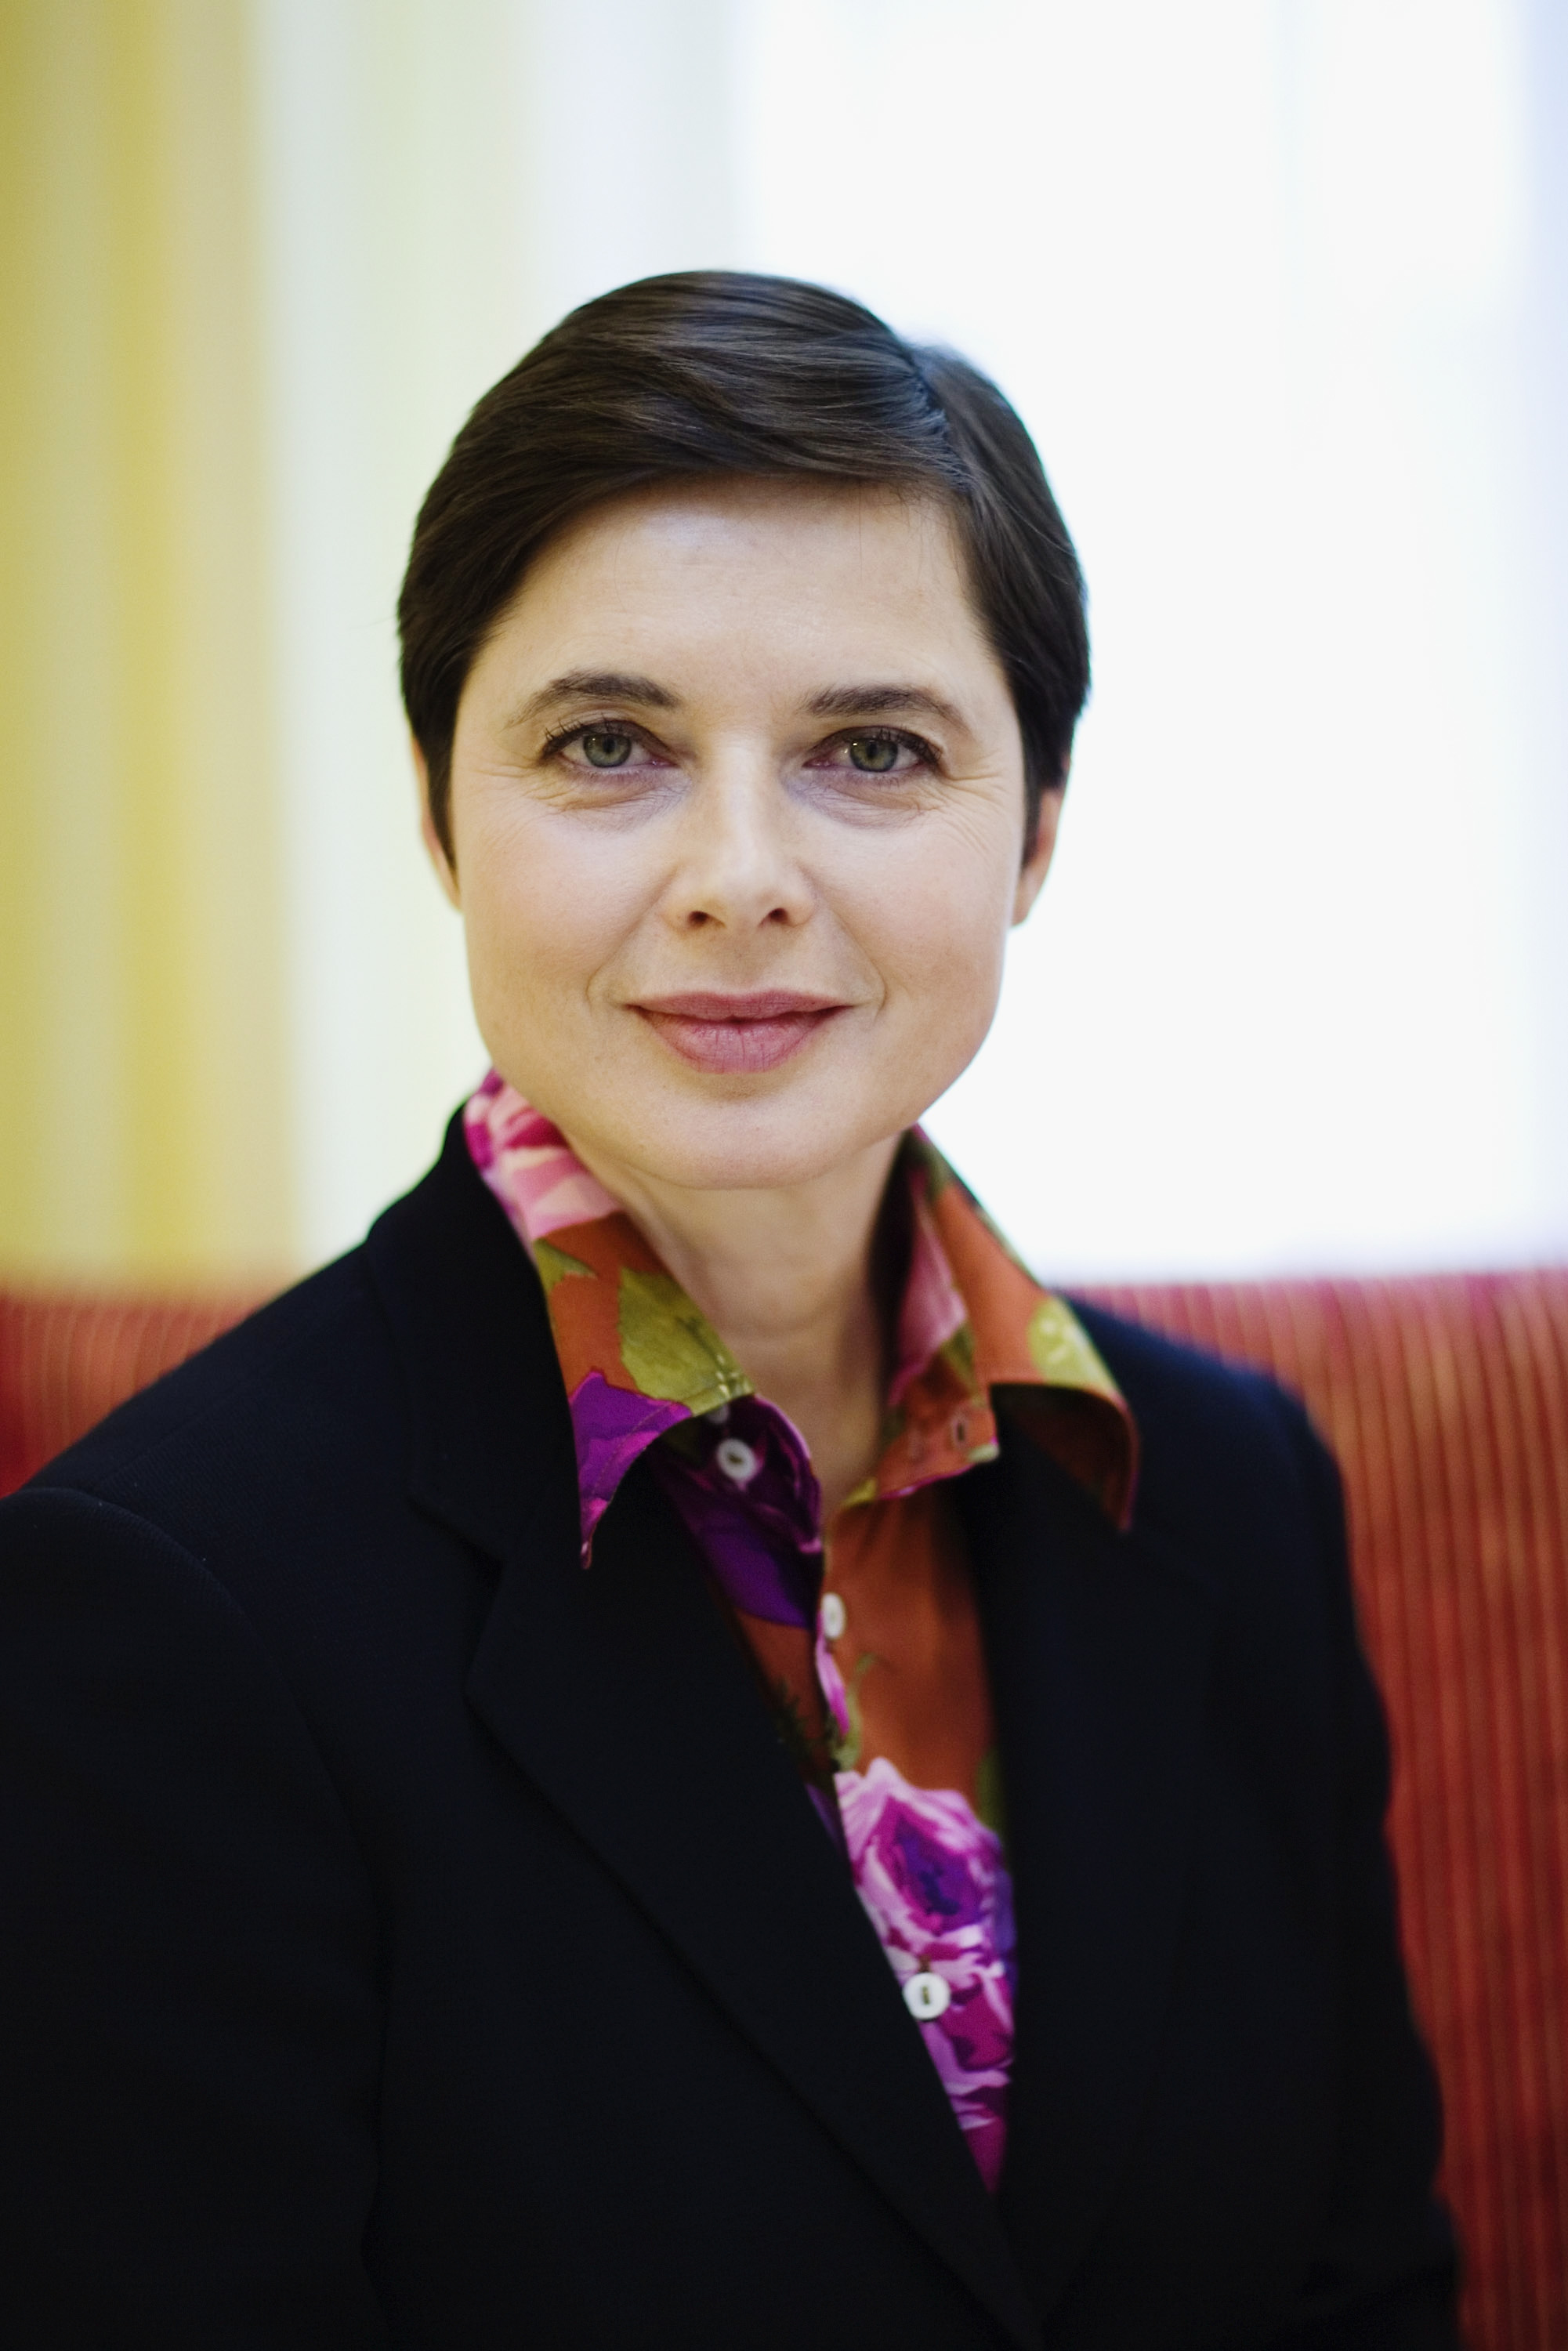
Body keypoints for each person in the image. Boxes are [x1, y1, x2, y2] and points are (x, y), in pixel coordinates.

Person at [0, 272, 1457, 2349]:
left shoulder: (1223, 1490)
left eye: (875, 750)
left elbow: (1358, 2292)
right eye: (610, 746)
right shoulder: (157, 1608)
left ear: (1034, 831)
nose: (739, 873)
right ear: (437, 819)